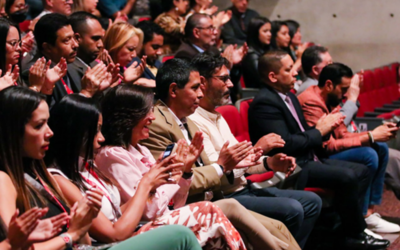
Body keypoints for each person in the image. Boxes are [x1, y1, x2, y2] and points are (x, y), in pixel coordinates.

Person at [97, 83, 299, 250]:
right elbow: (151, 210)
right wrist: (171, 177)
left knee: (277, 226)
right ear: (126, 117)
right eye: (145, 113)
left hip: (175, 213)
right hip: (145, 229)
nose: (152, 117)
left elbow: (175, 203)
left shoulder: (140, 149)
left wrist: (184, 171)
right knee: (233, 210)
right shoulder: (113, 155)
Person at [45, 94, 243, 249]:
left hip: (134, 229)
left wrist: (182, 173)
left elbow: (169, 205)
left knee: (215, 229)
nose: (153, 117)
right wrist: (148, 184)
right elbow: (121, 229)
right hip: (112, 243)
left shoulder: (90, 165)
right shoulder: (104, 158)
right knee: (209, 213)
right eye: (95, 131)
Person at [247, 50, 390, 249]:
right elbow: (286, 144)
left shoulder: (288, 96)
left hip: (309, 156)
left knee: (362, 170)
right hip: (293, 164)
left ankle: (344, 229)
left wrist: (322, 128)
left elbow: (304, 133)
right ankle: (354, 235)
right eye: (289, 70)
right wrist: (319, 130)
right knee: (347, 176)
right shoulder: (265, 103)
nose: (296, 73)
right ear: (273, 76)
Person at [189, 52, 321, 248]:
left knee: (312, 202)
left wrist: (269, 162)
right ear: (203, 82)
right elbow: (220, 175)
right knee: (293, 209)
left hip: (245, 188)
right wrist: (258, 149)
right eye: (224, 79)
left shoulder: (217, 115)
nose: (231, 84)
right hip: (227, 196)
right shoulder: (194, 121)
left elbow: (245, 165)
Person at [297, 62, 400, 234]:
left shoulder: (329, 97)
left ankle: (369, 212)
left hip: (328, 151)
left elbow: (343, 134)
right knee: (368, 154)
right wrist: (370, 137)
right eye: (344, 89)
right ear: (329, 85)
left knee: (380, 146)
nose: (346, 95)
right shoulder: (311, 102)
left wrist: (374, 135)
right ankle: (361, 216)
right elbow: (326, 145)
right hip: (315, 157)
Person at [0, 86, 103, 249]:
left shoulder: (40, 173)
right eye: (39, 125)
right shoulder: (3, 180)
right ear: (13, 131)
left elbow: (83, 243)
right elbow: (14, 247)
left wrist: (83, 221)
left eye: (48, 123)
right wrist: (71, 234)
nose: (50, 132)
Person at [242, 16, 270, 88]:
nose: (269, 34)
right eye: (265, 31)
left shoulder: (265, 50)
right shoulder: (251, 55)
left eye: (270, 31)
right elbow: (263, 79)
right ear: (255, 33)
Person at [133, 21, 164, 86]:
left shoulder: (157, 63)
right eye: (155, 47)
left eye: (161, 47)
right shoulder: (132, 66)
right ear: (141, 43)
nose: (159, 52)